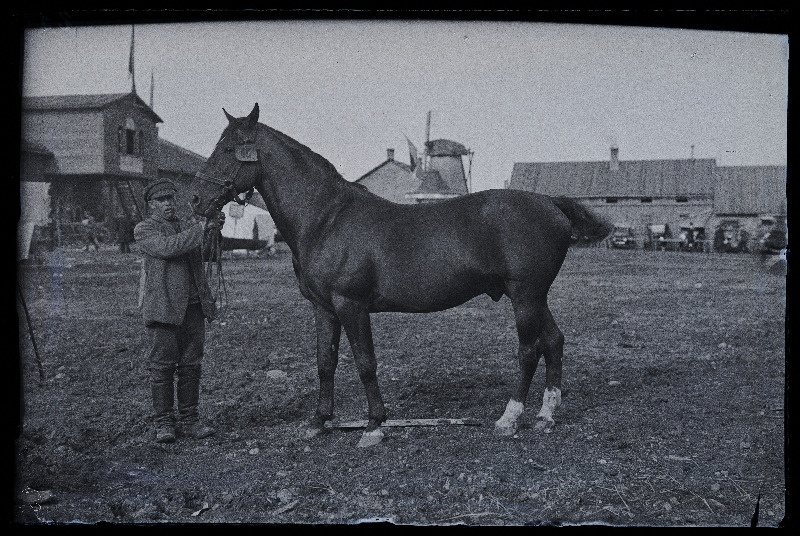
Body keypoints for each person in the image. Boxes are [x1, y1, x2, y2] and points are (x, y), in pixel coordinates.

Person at [133, 179, 226, 444]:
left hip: (194, 307)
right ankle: (164, 424)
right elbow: (168, 248)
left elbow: (206, 254)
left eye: (171, 199)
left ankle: (190, 421)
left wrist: (213, 232)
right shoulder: (145, 229)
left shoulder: (186, 227)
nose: (168, 204)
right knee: (162, 368)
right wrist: (200, 228)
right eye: (161, 200)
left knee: (191, 366)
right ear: (151, 205)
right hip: (163, 308)